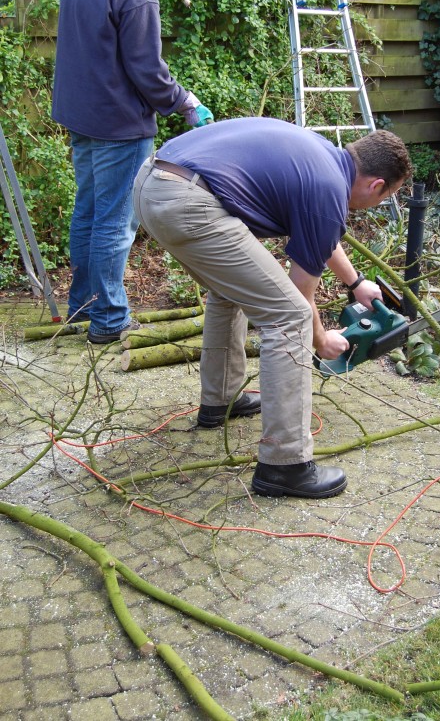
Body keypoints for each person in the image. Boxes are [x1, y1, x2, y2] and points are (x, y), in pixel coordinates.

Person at [133, 118, 412, 499]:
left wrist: (355, 282)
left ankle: (221, 400)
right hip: (186, 201)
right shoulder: (329, 188)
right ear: (376, 185)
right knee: (290, 317)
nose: (377, 203)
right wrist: (321, 341)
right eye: (384, 197)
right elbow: (299, 298)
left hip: (153, 185)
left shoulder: (321, 159)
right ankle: (285, 465)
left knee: (231, 290)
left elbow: (321, 232)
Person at [52, 0, 212, 344]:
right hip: (118, 124)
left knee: (88, 210)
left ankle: (83, 306)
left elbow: (111, 1)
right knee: (115, 222)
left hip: (80, 115)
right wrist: (185, 102)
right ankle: (109, 320)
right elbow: (148, 71)